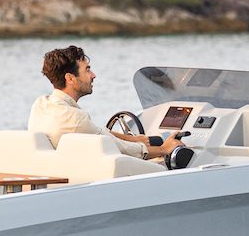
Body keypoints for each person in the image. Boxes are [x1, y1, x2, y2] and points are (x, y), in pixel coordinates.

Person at [29, 45, 179, 161]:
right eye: (87, 70)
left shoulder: (41, 105)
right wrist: (164, 149)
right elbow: (119, 148)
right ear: (70, 78)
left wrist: (134, 139)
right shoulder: (75, 118)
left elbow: (97, 132)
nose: (93, 75)